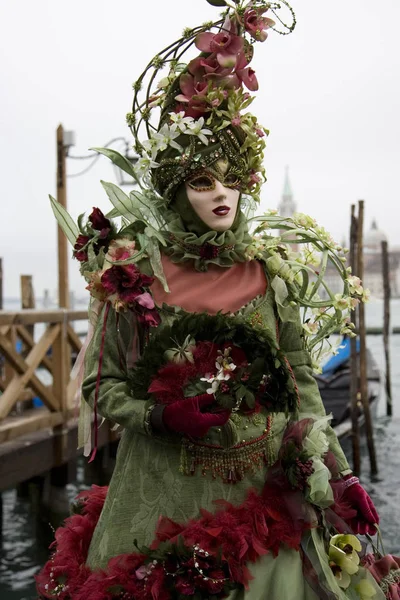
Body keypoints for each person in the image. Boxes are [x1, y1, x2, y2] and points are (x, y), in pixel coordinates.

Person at [36, 1, 385, 598]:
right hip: (164, 507)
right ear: (176, 192)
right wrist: (160, 414)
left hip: (268, 500)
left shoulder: (266, 272)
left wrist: (340, 475)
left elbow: (300, 381)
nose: (221, 194)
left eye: (231, 179)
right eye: (202, 182)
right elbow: (100, 386)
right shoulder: (132, 277)